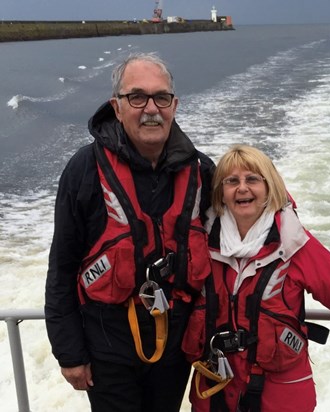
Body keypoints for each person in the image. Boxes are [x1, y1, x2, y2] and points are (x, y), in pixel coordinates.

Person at [182, 144, 330, 412]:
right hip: (215, 385)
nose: (242, 188)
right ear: (221, 193)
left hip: (280, 389)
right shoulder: (201, 240)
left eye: (252, 179)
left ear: (269, 187)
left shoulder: (293, 243)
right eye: (232, 181)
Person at [44, 52, 215, 412]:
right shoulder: (84, 170)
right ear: (117, 107)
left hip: (175, 349)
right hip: (107, 348)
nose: (150, 108)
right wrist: (69, 352)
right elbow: (62, 267)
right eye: (137, 97)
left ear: (174, 105)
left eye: (161, 97)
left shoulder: (201, 171)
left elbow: (234, 241)